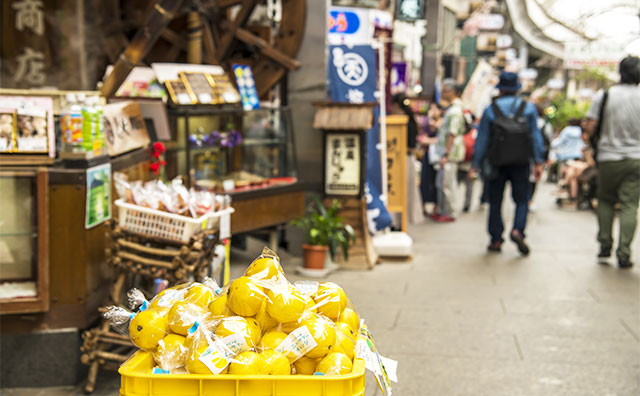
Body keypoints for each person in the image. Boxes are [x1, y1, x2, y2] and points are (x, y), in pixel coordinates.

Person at [469, 72, 545, 255]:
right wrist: (538, 161)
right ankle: (518, 230)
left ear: (500, 89)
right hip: (521, 162)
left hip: (496, 162)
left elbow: (482, 140)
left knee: (495, 201)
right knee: (522, 199)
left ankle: (495, 240)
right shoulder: (528, 109)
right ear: (517, 89)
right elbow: (535, 136)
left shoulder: (490, 110)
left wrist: (475, 164)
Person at [585, 55, 640, 269]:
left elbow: (590, 125)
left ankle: (605, 244)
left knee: (606, 200)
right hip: (637, 158)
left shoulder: (605, 95)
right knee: (629, 205)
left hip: (609, 157)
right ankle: (624, 253)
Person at [432, 79, 466, 222]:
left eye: (445, 90)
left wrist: (446, 154)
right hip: (447, 154)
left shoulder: (455, 111)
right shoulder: (452, 109)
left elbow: (452, 134)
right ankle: (443, 210)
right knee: (443, 183)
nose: (443, 93)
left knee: (448, 184)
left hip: (450, 154)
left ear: (453, 92)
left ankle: (450, 212)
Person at [391, 94, 425, 224]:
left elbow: (411, 146)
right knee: (405, 191)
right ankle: (401, 220)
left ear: (395, 105)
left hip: (402, 160)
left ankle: (399, 220)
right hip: (405, 160)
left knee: (400, 190)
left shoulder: (401, 123)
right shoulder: (411, 121)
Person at [419, 103, 443, 215]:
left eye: (435, 109)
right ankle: (422, 206)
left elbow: (442, 139)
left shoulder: (443, 123)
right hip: (427, 155)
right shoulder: (426, 124)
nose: (433, 111)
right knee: (424, 180)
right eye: (431, 109)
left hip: (439, 157)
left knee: (437, 182)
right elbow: (422, 139)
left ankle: (436, 207)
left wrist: (430, 140)